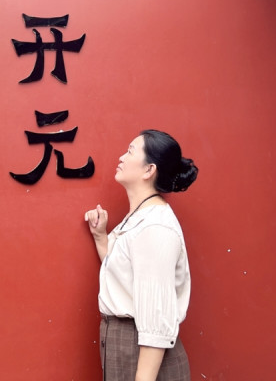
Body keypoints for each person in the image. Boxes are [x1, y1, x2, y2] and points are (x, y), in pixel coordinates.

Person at [84, 129, 198, 381]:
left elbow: (156, 320)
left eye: (130, 151)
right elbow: (123, 275)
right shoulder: (141, 216)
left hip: (142, 352)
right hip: (126, 346)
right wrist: (101, 237)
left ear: (149, 170)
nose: (122, 157)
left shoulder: (155, 227)